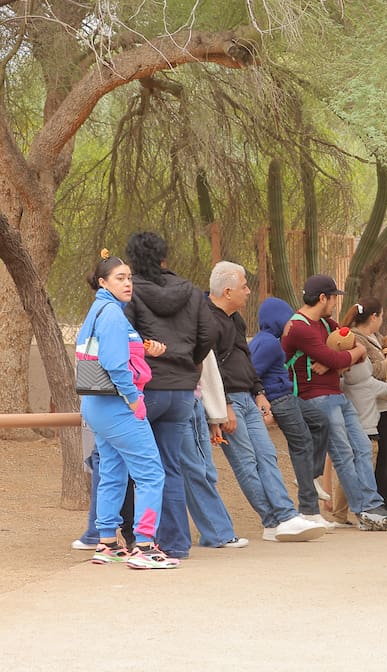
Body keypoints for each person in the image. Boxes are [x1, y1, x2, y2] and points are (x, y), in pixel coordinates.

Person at [124, 231, 245, 558]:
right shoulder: (191, 292)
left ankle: (138, 538)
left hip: (146, 390)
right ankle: (176, 543)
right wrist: (188, 362)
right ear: (165, 256)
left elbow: (127, 339)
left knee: (135, 465)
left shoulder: (130, 292)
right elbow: (208, 334)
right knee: (172, 466)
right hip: (181, 392)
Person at [206, 262, 326, 543]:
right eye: (244, 286)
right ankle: (272, 519)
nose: (248, 291)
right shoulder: (207, 321)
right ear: (227, 291)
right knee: (246, 462)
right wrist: (223, 405)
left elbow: (244, 358)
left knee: (267, 455)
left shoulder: (235, 319)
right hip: (228, 402)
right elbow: (209, 368)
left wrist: (259, 392)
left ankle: (285, 516)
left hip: (247, 397)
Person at [78, 250, 177, 569]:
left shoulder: (97, 312)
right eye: (120, 278)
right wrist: (134, 399)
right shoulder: (112, 315)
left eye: (130, 277)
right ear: (103, 282)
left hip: (96, 405)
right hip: (119, 407)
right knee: (151, 473)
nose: (128, 283)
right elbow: (114, 364)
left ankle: (106, 542)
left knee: (112, 471)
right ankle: (145, 546)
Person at [280, 274, 387, 531]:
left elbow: (358, 348)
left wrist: (342, 356)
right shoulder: (300, 326)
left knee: (363, 447)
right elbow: (339, 358)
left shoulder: (324, 321)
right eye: (334, 298)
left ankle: (371, 502)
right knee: (343, 453)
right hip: (316, 397)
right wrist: (340, 357)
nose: (336, 304)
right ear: (323, 298)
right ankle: (364, 510)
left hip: (337, 394)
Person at [250, 297, 331, 526]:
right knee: (302, 444)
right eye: (287, 321)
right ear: (277, 321)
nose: (290, 325)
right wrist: (260, 398)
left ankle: (309, 476)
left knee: (320, 421)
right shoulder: (268, 344)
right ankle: (309, 509)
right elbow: (252, 372)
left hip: (287, 396)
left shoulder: (268, 340)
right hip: (279, 399)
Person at [340, 297, 387, 516]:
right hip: (371, 406)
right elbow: (364, 374)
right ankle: (384, 505)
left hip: (383, 403)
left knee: (385, 458)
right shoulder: (356, 339)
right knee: (377, 459)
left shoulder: (374, 338)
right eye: (382, 316)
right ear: (374, 317)